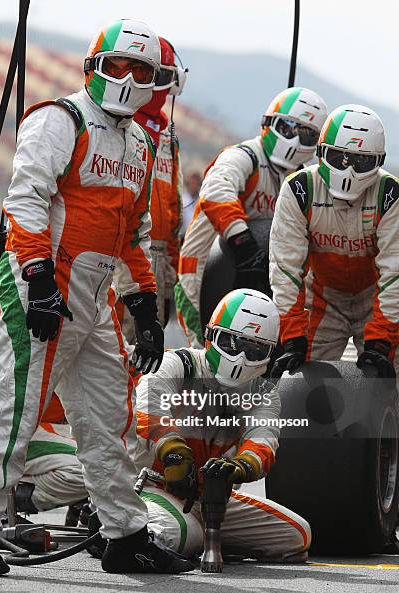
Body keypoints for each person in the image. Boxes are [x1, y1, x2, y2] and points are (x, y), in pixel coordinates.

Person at [0, 19, 192, 577]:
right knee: (14, 407)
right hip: (37, 286)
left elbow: (135, 232)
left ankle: (124, 534)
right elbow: (25, 201)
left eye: (141, 70)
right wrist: (39, 279)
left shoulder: (142, 141)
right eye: (118, 64)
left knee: (108, 416)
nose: (129, 77)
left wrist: (143, 304)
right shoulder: (58, 119)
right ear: (95, 65)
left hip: (94, 297)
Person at [132, 289, 311, 560]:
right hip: (153, 485)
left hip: (212, 498)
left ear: (268, 354)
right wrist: (174, 453)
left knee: (297, 535)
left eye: (253, 349)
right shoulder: (180, 363)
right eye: (230, 343)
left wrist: (240, 468)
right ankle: (134, 529)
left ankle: (200, 537)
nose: (239, 358)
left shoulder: (264, 392)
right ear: (210, 335)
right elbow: (147, 404)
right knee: (175, 534)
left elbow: (263, 441)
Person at [175, 87, 327, 348]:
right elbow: (215, 190)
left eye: (306, 135)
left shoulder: (304, 181)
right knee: (207, 360)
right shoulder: (243, 156)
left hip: (261, 285)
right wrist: (243, 242)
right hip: (204, 277)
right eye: (288, 128)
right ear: (268, 123)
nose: (294, 140)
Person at [269, 104, 399, 379]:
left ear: (378, 162)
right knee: (297, 384)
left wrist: (381, 339)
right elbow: (285, 269)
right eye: (340, 158)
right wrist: (292, 335)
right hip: (323, 298)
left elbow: (395, 273)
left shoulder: (390, 194)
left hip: (374, 297)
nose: (349, 170)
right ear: (321, 152)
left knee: (391, 383)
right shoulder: (298, 189)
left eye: (360, 162)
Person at [0, 321, 86, 514]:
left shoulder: (89, 334)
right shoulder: (17, 327)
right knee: (95, 469)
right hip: (17, 428)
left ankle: (4, 488)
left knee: (108, 463)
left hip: (62, 430)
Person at [115, 36, 185, 342]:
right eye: (152, 75)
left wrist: (170, 272)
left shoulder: (169, 138)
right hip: (120, 250)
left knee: (143, 353)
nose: (158, 86)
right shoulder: (118, 123)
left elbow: (173, 209)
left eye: (164, 77)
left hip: (155, 255)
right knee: (114, 348)